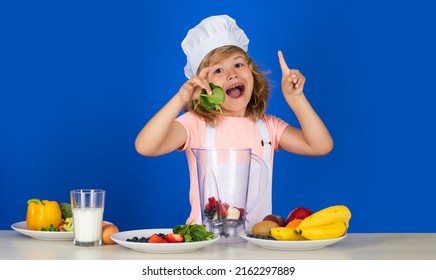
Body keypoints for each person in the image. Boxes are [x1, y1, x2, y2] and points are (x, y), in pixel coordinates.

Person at [135, 15, 333, 228]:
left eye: (238, 64)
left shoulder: (268, 127)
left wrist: (296, 99)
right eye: (218, 70)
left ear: (253, 75)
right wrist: (180, 98)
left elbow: (320, 145)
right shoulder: (196, 124)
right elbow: (146, 146)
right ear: (203, 87)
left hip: (256, 244)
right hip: (205, 245)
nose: (231, 74)